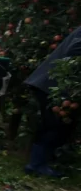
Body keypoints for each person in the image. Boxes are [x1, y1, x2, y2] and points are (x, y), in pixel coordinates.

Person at [23, 25, 81, 177]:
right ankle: (37, 165)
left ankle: (39, 163)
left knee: (56, 125)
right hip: (53, 84)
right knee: (55, 125)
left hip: (53, 84)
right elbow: (75, 50)